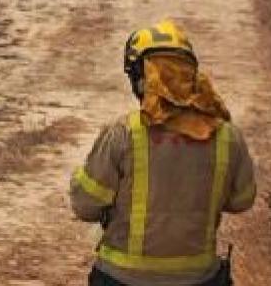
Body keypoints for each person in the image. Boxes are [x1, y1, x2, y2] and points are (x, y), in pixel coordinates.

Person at [69, 20, 257, 286]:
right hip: (200, 278)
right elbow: (242, 201)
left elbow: (84, 205)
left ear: (140, 79)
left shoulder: (124, 133)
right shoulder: (227, 136)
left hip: (122, 279)